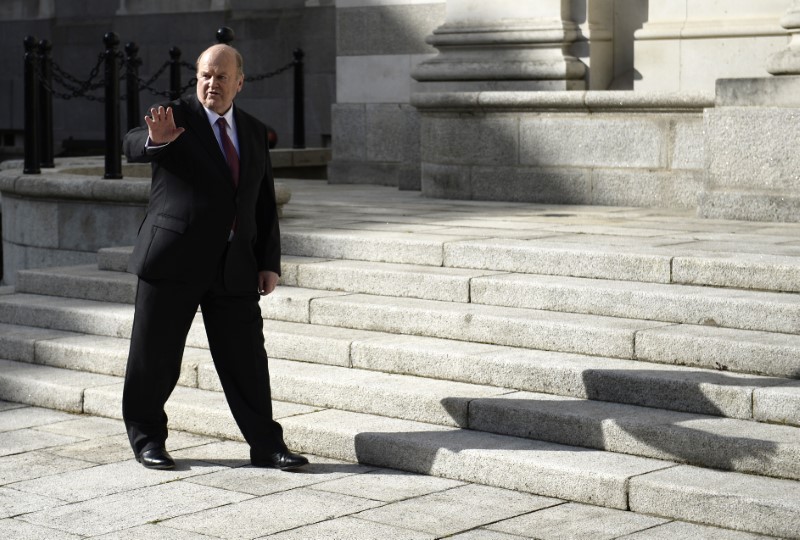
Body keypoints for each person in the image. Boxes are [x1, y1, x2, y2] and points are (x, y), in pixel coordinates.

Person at [121, 43, 308, 471]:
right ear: (196, 77)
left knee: (247, 361)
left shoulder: (255, 131)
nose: (212, 83)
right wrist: (155, 140)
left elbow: (262, 204)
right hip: (172, 262)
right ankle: (148, 438)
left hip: (234, 266)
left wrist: (268, 261)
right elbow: (132, 141)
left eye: (222, 76)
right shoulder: (175, 117)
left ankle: (266, 444)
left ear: (239, 82)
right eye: (206, 75)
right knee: (155, 358)